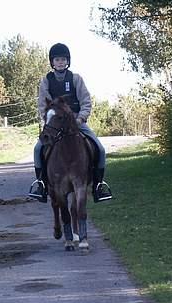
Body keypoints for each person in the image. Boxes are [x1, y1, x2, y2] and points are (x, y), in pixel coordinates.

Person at [28, 43, 112, 203]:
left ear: (68, 61)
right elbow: (42, 104)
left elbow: (86, 101)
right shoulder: (46, 80)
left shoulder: (75, 79)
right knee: (38, 149)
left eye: (63, 59)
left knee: (99, 149)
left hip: (76, 121)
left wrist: (81, 118)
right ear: (52, 62)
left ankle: (98, 185)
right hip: (55, 124)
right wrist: (48, 120)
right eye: (57, 59)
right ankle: (41, 184)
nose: (60, 62)